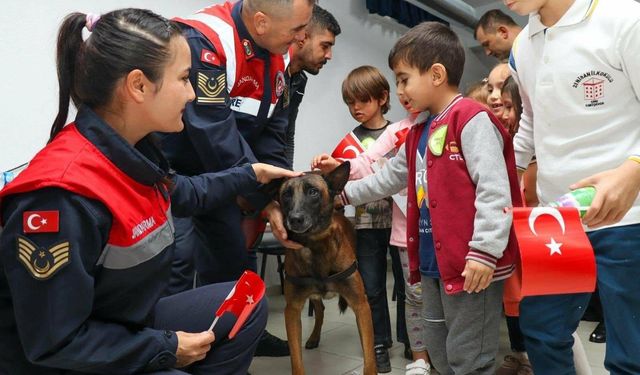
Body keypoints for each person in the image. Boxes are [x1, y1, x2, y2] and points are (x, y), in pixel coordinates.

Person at [0, 9, 300, 374]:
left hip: (121, 320)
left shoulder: (134, 152)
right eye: (184, 79)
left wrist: (250, 175)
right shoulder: (62, 196)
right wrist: (166, 348)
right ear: (139, 86)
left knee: (246, 304)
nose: (192, 94)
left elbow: (184, 193)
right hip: (65, 359)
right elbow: (55, 342)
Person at [338, 21, 522, 375]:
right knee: (438, 348)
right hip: (433, 264)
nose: (400, 89)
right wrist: (341, 194)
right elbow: (387, 179)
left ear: (436, 74)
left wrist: (484, 251)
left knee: (470, 357)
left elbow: (494, 190)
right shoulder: (420, 129)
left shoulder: (471, 118)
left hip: (471, 268)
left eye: (404, 78)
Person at [160, 0, 314, 356]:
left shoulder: (281, 53)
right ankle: (173, 350)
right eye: (297, 29)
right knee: (177, 260)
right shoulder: (206, 41)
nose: (302, 37)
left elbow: (273, 129)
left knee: (232, 260)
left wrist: (275, 196)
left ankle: (235, 342)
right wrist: (260, 198)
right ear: (260, 22)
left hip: (224, 175)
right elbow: (213, 133)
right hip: (174, 175)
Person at [507, 0, 640, 374]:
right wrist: (508, 170)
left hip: (628, 217)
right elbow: (534, 120)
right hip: (557, 219)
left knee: (631, 350)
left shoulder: (624, 18)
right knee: (542, 332)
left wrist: (634, 170)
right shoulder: (522, 44)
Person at [312, 92, 432, 374]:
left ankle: (417, 344)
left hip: (416, 223)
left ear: (381, 99)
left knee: (415, 290)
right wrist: (339, 170)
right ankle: (387, 345)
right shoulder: (393, 132)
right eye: (350, 102)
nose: (356, 108)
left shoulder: (427, 125)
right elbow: (366, 164)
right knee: (376, 287)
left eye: (362, 100)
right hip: (373, 224)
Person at [285, 4, 341, 168]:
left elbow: (287, 133)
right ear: (303, 37)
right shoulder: (270, 69)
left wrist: (287, 175)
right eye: (325, 46)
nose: (329, 56)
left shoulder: (299, 80)